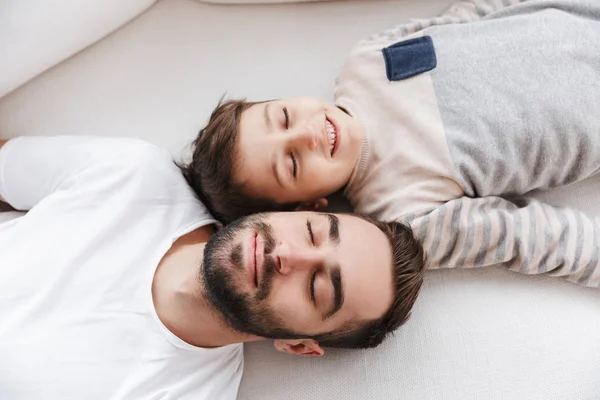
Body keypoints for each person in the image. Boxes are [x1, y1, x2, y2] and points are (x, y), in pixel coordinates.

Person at [181, 0, 600, 288]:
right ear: (306, 208)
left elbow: (468, 19)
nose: (306, 134)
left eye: (285, 117)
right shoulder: (403, 213)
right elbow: (527, 237)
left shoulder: (364, 61)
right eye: (292, 163)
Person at [0, 136, 424, 400]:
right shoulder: (135, 174)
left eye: (316, 288)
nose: (288, 256)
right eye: (312, 232)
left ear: (298, 344)